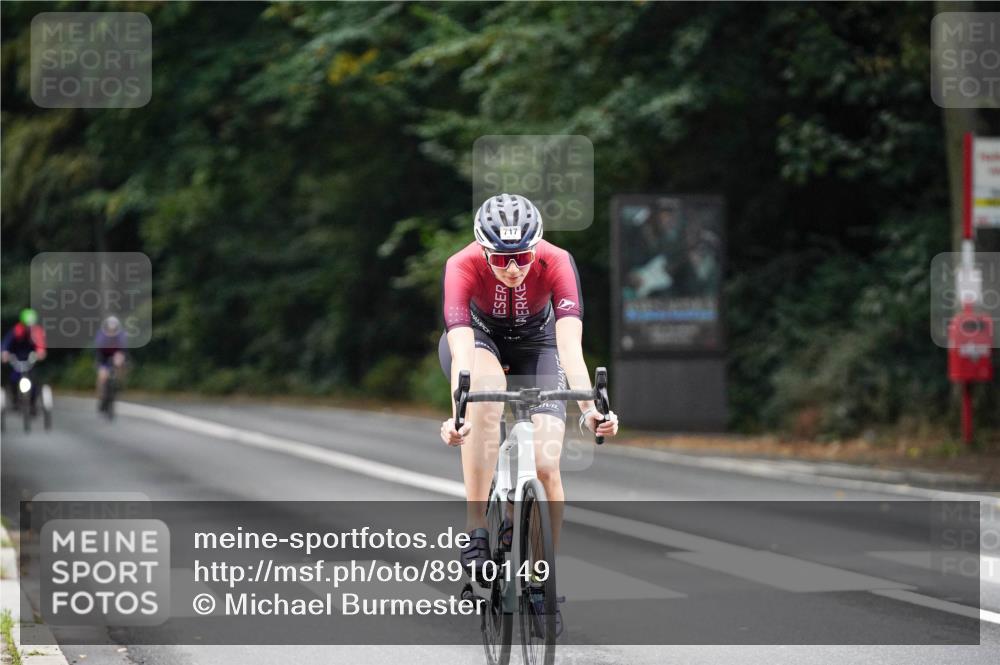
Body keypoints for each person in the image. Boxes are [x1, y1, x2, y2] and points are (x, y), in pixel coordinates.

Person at [438, 193, 619, 632]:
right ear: (483, 249)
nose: (513, 268)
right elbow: (461, 352)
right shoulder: (460, 265)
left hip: (540, 348)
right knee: (486, 389)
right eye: (501, 259)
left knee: (546, 466)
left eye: (521, 256)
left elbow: (570, 348)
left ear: (536, 246)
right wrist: (459, 413)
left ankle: (542, 580)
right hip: (481, 344)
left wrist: (592, 410)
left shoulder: (557, 260)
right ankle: (477, 525)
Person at [1, 308, 47, 411]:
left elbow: (40, 345)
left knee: (34, 381)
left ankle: (32, 404)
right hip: (17, 360)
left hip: (30, 360)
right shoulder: (15, 331)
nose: (29, 327)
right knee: (13, 379)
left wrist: (41, 352)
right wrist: (4, 353)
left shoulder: (37, 332)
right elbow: (6, 343)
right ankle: (15, 400)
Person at [95, 316, 127, 408]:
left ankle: (120, 383)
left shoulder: (120, 335)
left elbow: (123, 349)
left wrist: (122, 360)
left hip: (115, 356)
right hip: (103, 358)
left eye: (113, 329)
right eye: (109, 329)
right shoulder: (101, 335)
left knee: (120, 363)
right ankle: (101, 397)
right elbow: (98, 351)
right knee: (102, 377)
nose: (111, 331)